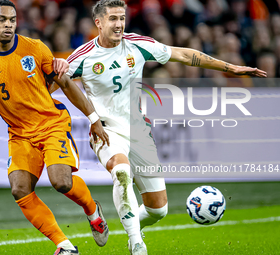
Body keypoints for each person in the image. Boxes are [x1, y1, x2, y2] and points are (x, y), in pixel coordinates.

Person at [62, 0, 267, 254]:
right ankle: (137, 243)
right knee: (121, 172)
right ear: (99, 22)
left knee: (157, 209)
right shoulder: (82, 56)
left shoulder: (137, 44)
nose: (119, 24)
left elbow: (183, 54)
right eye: (113, 19)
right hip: (105, 129)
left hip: (138, 130)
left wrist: (230, 68)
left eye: (122, 18)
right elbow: (54, 83)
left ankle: (128, 228)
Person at [0, 1, 110, 255]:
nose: (8, 24)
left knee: (60, 182)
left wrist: (93, 118)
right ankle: (65, 245)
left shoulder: (34, 48)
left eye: (12, 20)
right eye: (2, 20)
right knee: (20, 189)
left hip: (51, 124)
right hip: (19, 133)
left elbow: (67, 85)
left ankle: (92, 211)